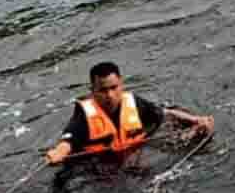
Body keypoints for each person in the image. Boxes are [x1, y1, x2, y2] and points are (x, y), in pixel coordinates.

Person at [45, 62, 215, 165]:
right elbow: (68, 140)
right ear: (92, 91)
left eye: (113, 88)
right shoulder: (84, 115)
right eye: (103, 90)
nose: (110, 95)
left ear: (121, 85)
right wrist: (58, 152)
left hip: (133, 156)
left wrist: (196, 120)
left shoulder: (134, 103)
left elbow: (165, 114)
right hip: (99, 167)